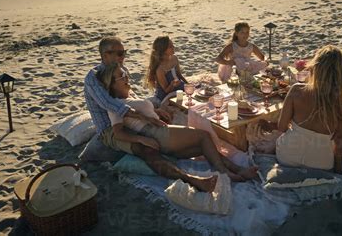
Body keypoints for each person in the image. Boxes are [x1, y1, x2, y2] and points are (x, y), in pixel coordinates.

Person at [97, 62, 259, 192]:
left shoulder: (129, 93)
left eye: (124, 73)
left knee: (203, 146)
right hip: (158, 134)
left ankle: (237, 169)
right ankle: (225, 173)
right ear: (111, 83)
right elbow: (118, 133)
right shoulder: (115, 105)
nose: (126, 77)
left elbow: (141, 111)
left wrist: (157, 111)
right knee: (203, 136)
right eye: (121, 76)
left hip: (161, 135)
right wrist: (141, 139)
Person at [260, 46, 342, 173]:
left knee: (284, 140)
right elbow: (339, 141)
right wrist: (338, 171)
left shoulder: (296, 90)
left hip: (287, 157)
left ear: (316, 68)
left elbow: (281, 127)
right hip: (321, 163)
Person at [84, 36, 172, 139]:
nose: (123, 57)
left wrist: (152, 110)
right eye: (120, 54)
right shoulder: (94, 76)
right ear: (105, 55)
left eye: (124, 52)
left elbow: (129, 94)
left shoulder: (121, 69)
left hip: (130, 121)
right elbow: (108, 103)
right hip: (111, 128)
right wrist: (145, 116)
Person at [145, 36, 188, 102]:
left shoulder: (174, 58)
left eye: (173, 45)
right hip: (165, 95)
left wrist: (188, 85)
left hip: (179, 89)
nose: (173, 47)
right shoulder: (160, 69)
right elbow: (166, 90)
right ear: (163, 50)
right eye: (170, 46)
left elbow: (179, 75)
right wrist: (172, 84)